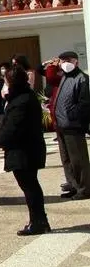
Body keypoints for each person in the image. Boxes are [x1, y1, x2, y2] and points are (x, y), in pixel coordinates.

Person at [0, 66, 49, 236]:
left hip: (24, 150)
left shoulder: (22, 100)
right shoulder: (21, 97)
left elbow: (13, 127)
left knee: (30, 186)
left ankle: (38, 221)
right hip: (24, 149)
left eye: (6, 81)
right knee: (30, 185)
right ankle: (39, 220)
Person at [53, 51, 90, 200]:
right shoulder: (64, 77)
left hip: (73, 126)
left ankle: (85, 188)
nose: (64, 63)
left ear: (76, 62)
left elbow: (84, 104)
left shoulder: (82, 79)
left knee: (78, 160)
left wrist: (71, 116)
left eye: (67, 60)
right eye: (62, 60)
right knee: (67, 160)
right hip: (61, 125)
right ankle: (74, 186)